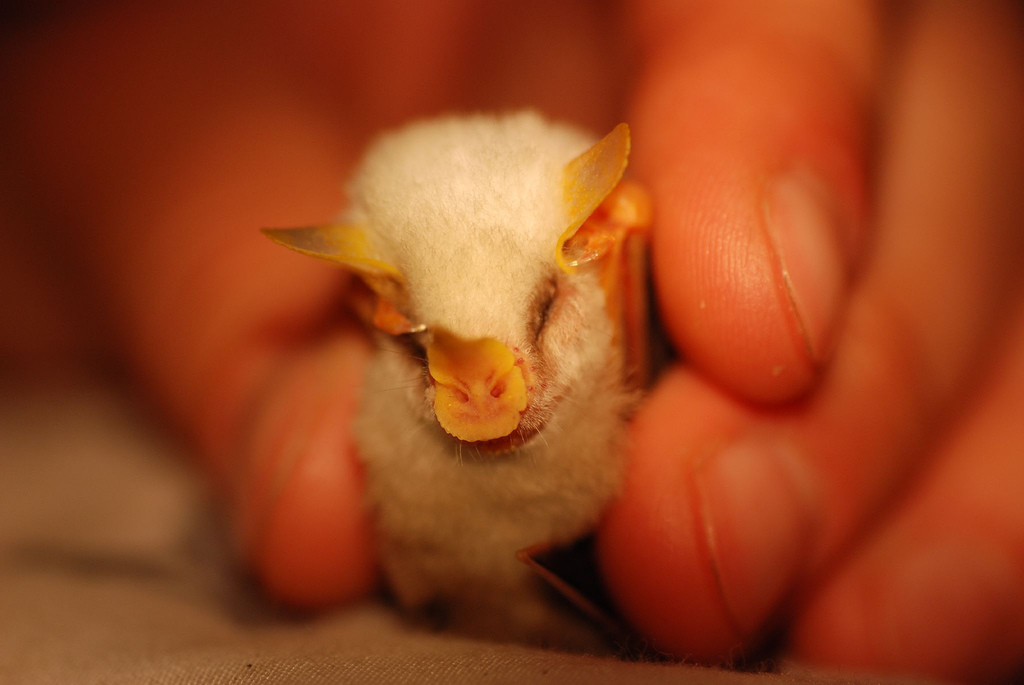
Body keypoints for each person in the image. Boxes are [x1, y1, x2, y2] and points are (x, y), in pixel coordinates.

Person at [2, 2, 1022, 681]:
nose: (480, 388)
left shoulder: (618, 286)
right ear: (379, 315)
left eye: (530, 316)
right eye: (427, 347)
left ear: (597, 244)